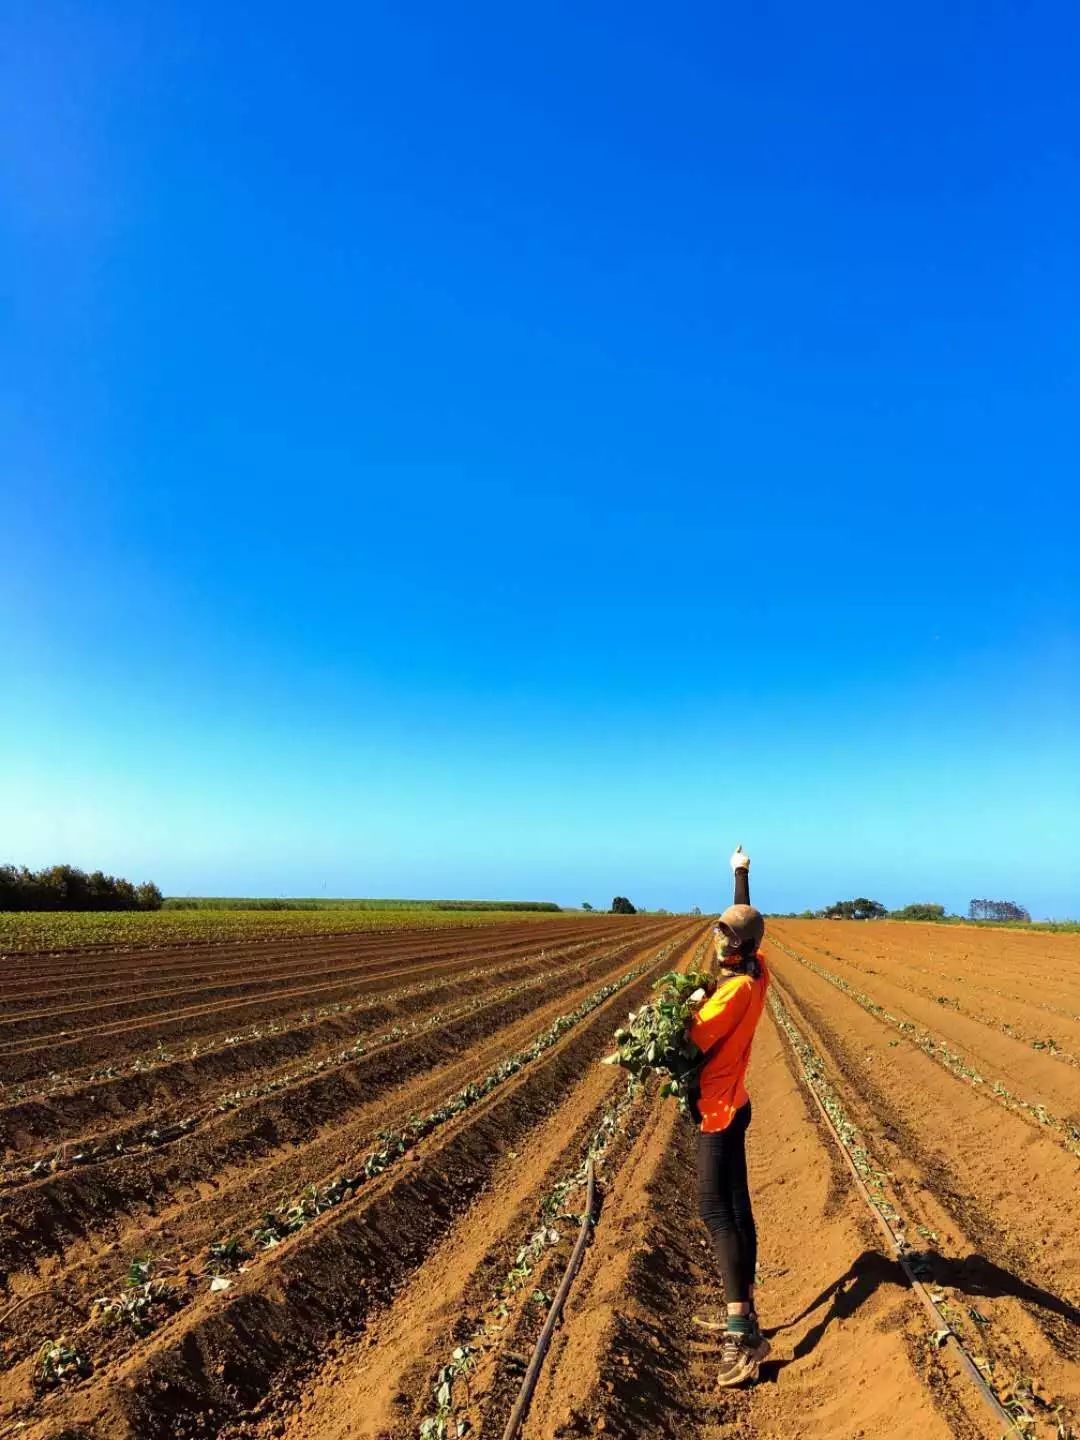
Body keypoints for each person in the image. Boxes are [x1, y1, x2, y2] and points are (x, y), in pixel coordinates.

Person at [687, 844, 771, 1387]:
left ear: (740, 950)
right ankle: (748, 1315)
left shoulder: (731, 994)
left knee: (715, 1210)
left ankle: (740, 1336)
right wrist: (740, 874)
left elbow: (687, 1045)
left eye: (726, 938)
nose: (719, 942)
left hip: (718, 1111)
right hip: (735, 1104)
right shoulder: (758, 968)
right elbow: (747, 919)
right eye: (719, 934)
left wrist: (688, 1003)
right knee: (736, 1208)